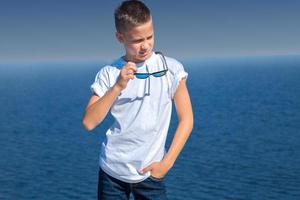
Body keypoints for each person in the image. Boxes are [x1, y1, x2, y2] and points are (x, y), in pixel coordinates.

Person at [82, 0, 193, 199]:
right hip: (111, 175)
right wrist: (117, 86)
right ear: (120, 37)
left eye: (149, 37)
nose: (145, 46)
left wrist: (166, 164)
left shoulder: (172, 69)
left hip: (151, 175)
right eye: (136, 40)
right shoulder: (109, 73)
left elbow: (187, 119)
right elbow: (89, 122)